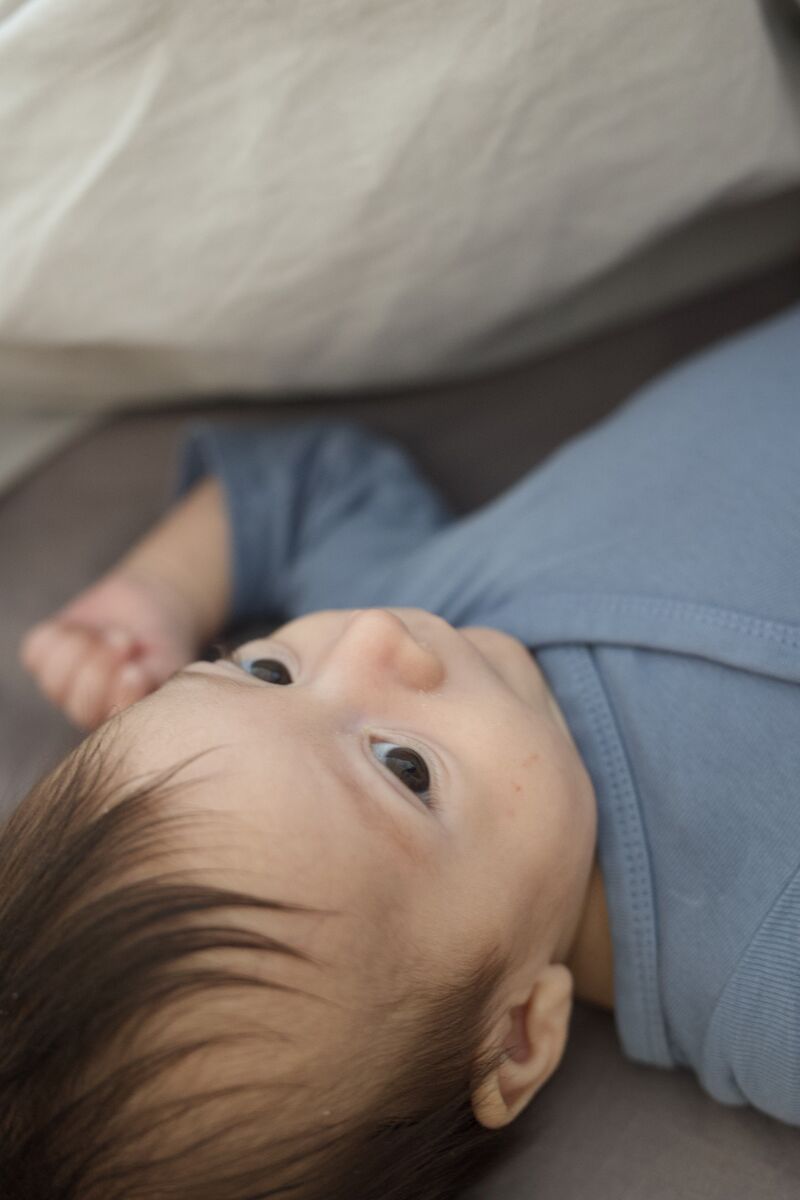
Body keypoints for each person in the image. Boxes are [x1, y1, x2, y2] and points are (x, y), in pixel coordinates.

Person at [4, 302, 800, 1199]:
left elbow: (305, 488)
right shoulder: (760, 984)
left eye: (261, 668)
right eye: (403, 769)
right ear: (514, 1039)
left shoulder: (405, 606)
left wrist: (153, 594)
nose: (374, 640)